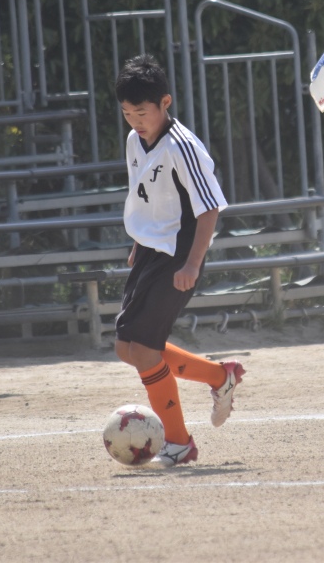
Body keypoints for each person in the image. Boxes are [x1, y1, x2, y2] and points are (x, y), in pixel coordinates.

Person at [112, 55, 242, 467]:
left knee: (145, 351)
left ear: (165, 103)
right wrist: (139, 241)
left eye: (142, 112)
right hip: (151, 250)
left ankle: (179, 443)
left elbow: (210, 208)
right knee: (126, 347)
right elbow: (145, 196)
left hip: (179, 254)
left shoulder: (183, 147)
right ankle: (220, 377)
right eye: (127, 113)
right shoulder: (134, 141)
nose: (135, 121)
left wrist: (192, 265)